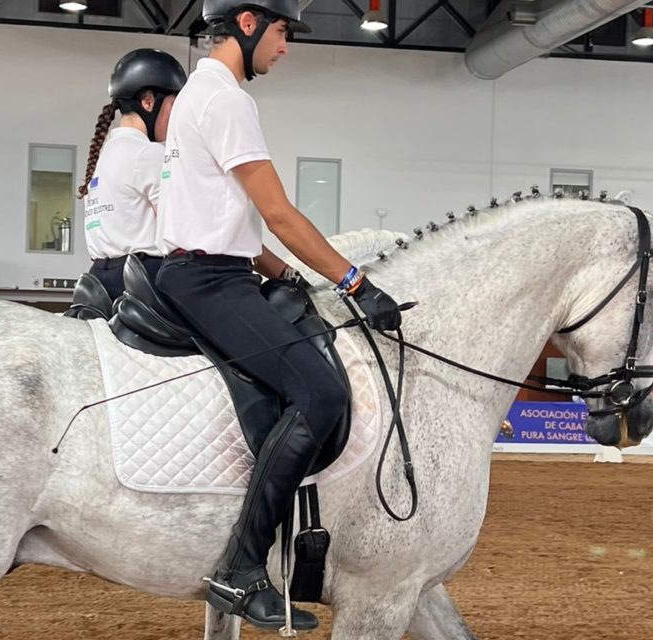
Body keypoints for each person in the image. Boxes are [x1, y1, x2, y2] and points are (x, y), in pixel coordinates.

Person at [154, 0, 402, 630]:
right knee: (321, 394)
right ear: (247, 23)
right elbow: (281, 215)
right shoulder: (227, 99)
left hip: (215, 271)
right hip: (209, 282)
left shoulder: (196, 94)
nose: (285, 47)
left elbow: (224, 215)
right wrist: (354, 281)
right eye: (283, 32)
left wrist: (282, 273)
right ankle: (241, 565)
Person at [77, 49, 187, 302]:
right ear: (149, 101)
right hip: (145, 281)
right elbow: (178, 233)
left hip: (100, 280)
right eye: (174, 104)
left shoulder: (104, 155)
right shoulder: (148, 154)